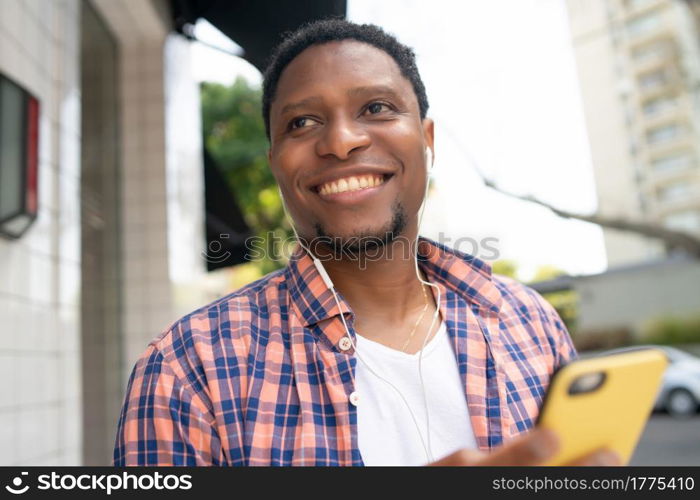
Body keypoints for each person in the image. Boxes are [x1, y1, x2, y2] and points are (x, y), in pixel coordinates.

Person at [113, 19, 620, 467]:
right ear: (276, 164)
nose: (341, 141)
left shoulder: (531, 323)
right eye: (302, 122)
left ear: (428, 142)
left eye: (376, 107)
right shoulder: (187, 369)